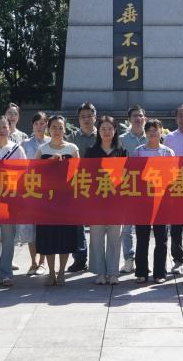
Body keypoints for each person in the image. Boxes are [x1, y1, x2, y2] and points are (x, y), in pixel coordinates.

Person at [35, 115, 80, 286]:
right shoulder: (42, 149)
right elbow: (34, 172)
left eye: (60, 127)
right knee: (49, 236)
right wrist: (49, 163)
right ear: (48, 129)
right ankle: (51, 272)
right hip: (47, 201)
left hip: (66, 200)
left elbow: (79, 173)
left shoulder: (72, 148)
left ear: (65, 129)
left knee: (65, 236)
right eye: (54, 127)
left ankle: (61, 272)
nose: (57, 130)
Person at [0, 116, 26, 287]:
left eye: (4, 127)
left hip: (10, 200)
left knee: (8, 238)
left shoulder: (17, 150)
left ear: (9, 129)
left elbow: (24, 173)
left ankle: (6, 273)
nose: (1, 130)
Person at [85, 115, 126, 284]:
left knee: (115, 238)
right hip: (97, 201)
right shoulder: (91, 151)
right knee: (96, 238)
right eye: (103, 129)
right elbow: (85, 175)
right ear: (98, 131)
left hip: (116, 201)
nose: (107, 132)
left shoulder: (122, 151)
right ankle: (100, 273)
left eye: (110, 128)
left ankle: (113, 272)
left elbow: (127, 176)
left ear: (115, 130)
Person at [133, 118, 175, 283]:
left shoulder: (168, 152)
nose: (152, 133)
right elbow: (133, 174)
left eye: (155, 130)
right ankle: (141, 272)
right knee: (142, 237)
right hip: (142, 201)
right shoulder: (138, 151)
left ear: (161, 131)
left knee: (161, 238)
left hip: (161, 200)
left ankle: (160, 273)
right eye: (149, 130)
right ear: (145, 132)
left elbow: (172, 175)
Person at [162, 104, 183, 273]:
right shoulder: (169, 138)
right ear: (176, 118)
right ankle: (178, 260)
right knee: (176, 226)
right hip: (175, 185)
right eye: (180, 115)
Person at [68, 102, 97, 272]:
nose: (86, 120)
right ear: (78, 119)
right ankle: (79, 258)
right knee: (77, 225)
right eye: (83, 117)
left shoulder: (102, 134)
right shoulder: (71, 138)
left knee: (97, 225)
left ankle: (97, 259)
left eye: (89, 116)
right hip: (77, 186)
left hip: (98, 186)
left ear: (95, 117)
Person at [118, 105, 147, 274]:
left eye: (140, 116)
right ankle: (129, 259)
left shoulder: (153, 137)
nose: (138, 119)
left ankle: (144, 260)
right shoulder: (121, 140)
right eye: (135, 116)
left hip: (149, 188)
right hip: (128, 187)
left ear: (145, 118)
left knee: (147, 228)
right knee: (127, 227)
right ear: (129, 119)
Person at [18, 111, 48, 276]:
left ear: (46, 124)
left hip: (47, 190)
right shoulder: (25, 144)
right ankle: (33, 262)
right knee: (29, 227)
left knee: (43, 226)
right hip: (30, 189)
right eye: (36, 123)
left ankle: (42, 262)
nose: (39, 126)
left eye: (42, 123)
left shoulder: (51, 142)